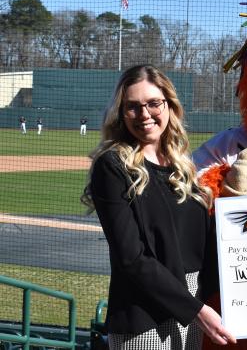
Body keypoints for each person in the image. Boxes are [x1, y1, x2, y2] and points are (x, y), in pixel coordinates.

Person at [81, 64, 236, 349]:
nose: (144, 115)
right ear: (121, 112)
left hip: (194, 306)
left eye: (154, 103)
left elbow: (204, 243)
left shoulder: (183, 165)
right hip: (146, 318)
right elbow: (132, 259)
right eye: (133, 107)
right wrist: (196, 311)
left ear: (169, 106)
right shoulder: (113, 165)